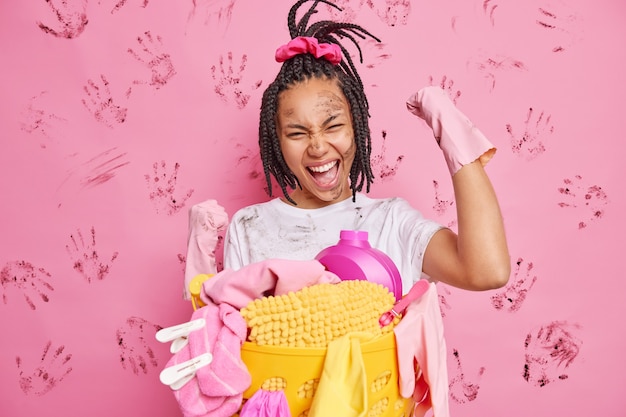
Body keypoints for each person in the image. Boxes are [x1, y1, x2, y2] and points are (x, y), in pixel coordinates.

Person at [222, 0, 510, 293]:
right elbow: (231, 329)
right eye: (297, 134)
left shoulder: (392, 222)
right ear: (276, 142)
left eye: (333, 126)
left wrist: (452, 132)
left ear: (356, 127)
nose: (318, 147)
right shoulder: (249, 227)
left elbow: (488, 271)